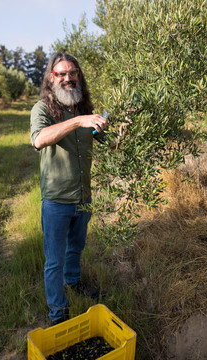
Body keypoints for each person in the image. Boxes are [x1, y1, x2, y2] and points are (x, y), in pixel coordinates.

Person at [30, 52, 128, 325]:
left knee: (76, 248)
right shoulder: (42, 109)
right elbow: (39, 140)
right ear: (52, 78)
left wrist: (122, 132)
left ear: (78, 76)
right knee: (54, 261)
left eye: (72, 73)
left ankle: (74, 284)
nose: (68, 78)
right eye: (61, 74)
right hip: (57, 201)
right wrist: (77, 122)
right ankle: (58, 314)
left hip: (84, 198)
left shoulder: (85, 110)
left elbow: (110, 145)